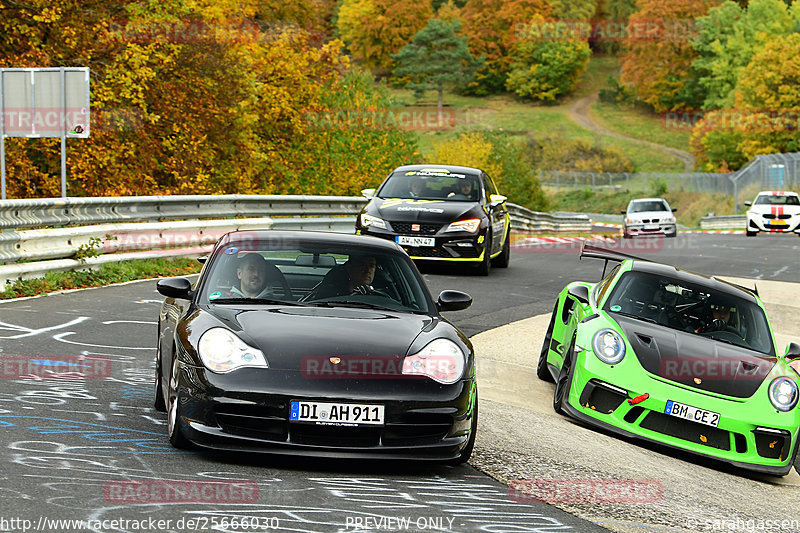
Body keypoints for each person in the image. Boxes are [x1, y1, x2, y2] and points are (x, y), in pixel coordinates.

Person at [310, 254, 378, 300]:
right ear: (349, 267)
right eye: (362, 265)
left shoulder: (380, 298)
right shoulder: (333, 297)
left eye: (371, 266)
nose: (367, 270)